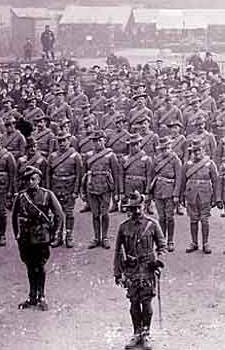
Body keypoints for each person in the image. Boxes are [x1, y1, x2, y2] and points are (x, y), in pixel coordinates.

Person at [113, 191, 166, 350]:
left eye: (138, 208)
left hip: (148, 268)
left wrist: (158, 261)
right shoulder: (124, 227)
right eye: (132, 208)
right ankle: (136, 334)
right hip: (131, 270)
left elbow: (162, 246)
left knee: (147, 302)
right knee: (134, 302)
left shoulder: (152, 224)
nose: (136, 211)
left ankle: (146, 334)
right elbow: (117, 251)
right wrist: (117, 272)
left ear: (144, 207)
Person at [12, 166, 64, 311]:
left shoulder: (47, 195)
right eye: (27, 179)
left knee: (40, 266)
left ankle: (41, 296)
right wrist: (17, 235)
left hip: (42, 237)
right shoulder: (21, 197)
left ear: (39, 179)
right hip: (26, 238)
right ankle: (32, 296)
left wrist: (55, 235)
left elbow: (59, 214)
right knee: (29, 266)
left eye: (33, 179)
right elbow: (14, 217)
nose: (30, 182)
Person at [82, 130, 121, 249]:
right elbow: (84, 175)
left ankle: (104, 237)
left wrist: (117, 193)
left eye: (99, 140)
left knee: (104, 214)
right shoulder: (88, 155)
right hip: (92, 187)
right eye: (94, 141)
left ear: (104, 140)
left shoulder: (110, 155)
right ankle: (96, 237)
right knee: (95, 214)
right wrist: (83, 191)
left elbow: (116, 174)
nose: (97, 143)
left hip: (105, 188)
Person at [178, 141, 220, 254]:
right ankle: (194, 242)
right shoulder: (187, 165)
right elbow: (182, 182)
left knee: (205, 220)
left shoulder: (210, 164)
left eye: (198, 150)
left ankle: (206, 243)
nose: (196, 153)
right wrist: (181, 196)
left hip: (205, 195)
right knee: (193, 220)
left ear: (204, 151)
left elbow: (216, 182)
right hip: (191, 195)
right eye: (194, 151)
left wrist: (217, 198)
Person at [47, 132, 83, 248]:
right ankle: (58, 236)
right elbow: (48, 174)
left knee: (69, 213)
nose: (62, 143)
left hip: (69, 188)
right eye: (59, 141)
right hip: (56, 188)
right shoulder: (52, 156)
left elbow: (79, 175)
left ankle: (69, 236)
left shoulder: (75, 156)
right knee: (57, 213)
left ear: (69, 140)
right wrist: (48, 191)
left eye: (64, 140)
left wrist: (76, 191)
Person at [148, 137, 181, 252]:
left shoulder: (175, 160)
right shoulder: (156, 160)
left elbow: (179, 178)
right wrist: (149, 192)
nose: (165, 151)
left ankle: (170, 240)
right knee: (161, 217)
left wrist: (176, 194)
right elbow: (151, 176)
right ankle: (162, 241)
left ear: (170, 148)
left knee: (170, 217)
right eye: (162, 149)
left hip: (170, 191)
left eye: (167, 148)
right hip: (158, 191)